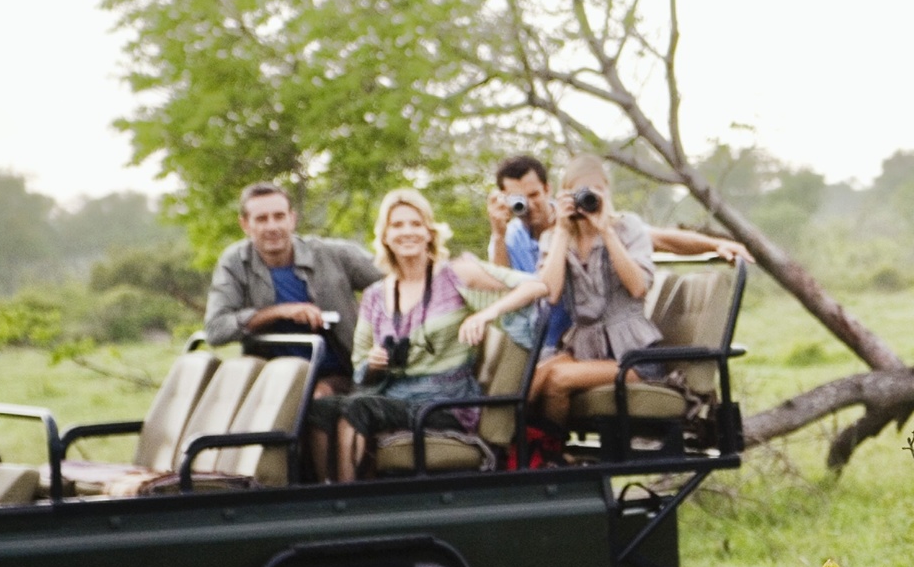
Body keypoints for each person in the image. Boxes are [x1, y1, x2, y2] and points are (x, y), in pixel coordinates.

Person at [320, 188, 550, 483]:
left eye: (416, 224)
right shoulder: (375, 296)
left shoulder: (455, 275)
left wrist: (484, 314)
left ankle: (347, 506)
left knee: (358, 407)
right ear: (385, 236)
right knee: (320, 409)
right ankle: (324, 497)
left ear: (429, 232)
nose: (407, 232)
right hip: (394, 395)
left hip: (444, 403)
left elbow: (536, 287)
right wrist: (375, 363)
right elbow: (360, 369)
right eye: (397, 225)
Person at [485, 153, 748, 358]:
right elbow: (503, 284)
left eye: (534, 195)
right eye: (518, 199)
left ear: (549, 189)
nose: (529, 206)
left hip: (579, 337)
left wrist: (715, 244)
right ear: (505, 199)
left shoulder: (584, 217)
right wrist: (497, 235)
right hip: (541, 339)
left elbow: (658, 238)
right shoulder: (512, 237)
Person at [526, 158, 669, 432]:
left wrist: (605, 229)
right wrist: (562, 232)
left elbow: (638, 287)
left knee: (557, 378)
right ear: (564, 196)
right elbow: (550, 294)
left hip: (634, 356)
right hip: (584, 349)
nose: (586, 200)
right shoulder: (555, 237)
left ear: (607, 193)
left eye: (593, 192)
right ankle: (522, 452)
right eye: (579, 193)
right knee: (535, 376)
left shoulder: (628, 227)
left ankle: (549, 451)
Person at [204, 182, 382, 388]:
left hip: (340, 374)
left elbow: (398, 281)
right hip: (271, 379)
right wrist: (279, 312)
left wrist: (375, 325)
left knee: (313, 400)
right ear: (245, 224)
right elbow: (216, 330)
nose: (272, 227)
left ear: (292, 219)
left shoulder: (333, 255)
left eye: (279, 216)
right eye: (261, 219)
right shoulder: (235, 262)